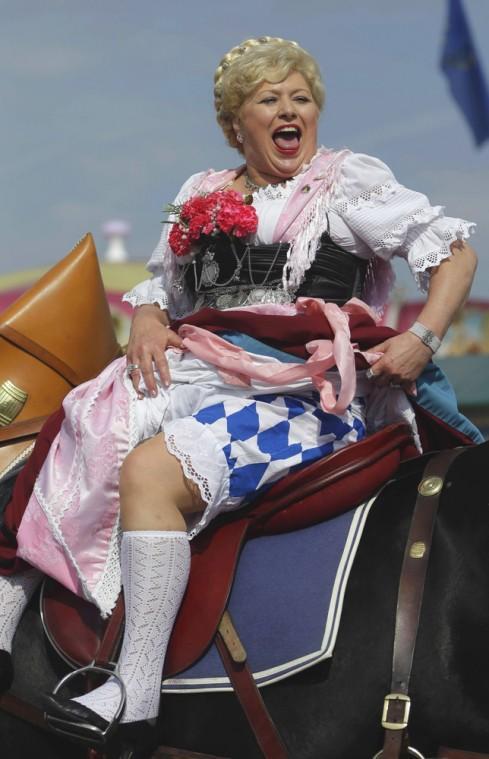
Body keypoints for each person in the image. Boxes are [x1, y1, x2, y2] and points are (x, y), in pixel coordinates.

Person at [0, 36, 479, 744]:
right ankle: (7, 616)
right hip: (202, 367)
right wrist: (149, 324)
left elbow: (454, 251)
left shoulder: (346, 181)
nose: (290, 110)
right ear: (235, 124)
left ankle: (131, 689)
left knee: (152, 471)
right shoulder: (202, 191)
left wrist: (423, 337)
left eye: (300, 97)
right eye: (269, 100)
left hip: (304, 392)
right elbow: (163, 288)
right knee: (81, 422)